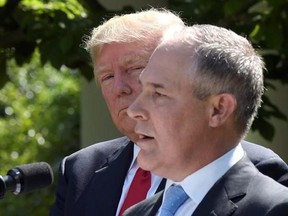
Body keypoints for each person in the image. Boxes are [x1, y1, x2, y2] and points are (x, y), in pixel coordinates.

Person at [49, 9, 288, 216]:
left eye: (136, 70)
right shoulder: (126, 202)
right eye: (108, 77)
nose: (124, 92)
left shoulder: (270, 195)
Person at [124, 24, 288, 216]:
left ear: (218, 110)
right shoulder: (136, 213)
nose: (133, 110)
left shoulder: (273, 209)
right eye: (143, 89)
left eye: (158, 93)